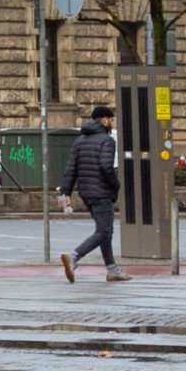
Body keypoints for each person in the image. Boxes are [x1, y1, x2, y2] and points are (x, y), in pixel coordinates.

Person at [60, 103, 124, 280]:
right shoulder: (107, 140)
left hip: (86, 193)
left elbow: (70, 169)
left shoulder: (79, 140)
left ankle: (112, 269)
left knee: (104, 231)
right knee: (104, 232)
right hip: (102, 192)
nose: (112, 123)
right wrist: (116, 185)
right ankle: (73, 257)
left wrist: (65, 192)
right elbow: (106, 166)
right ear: (104, 120)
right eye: (111, 120)